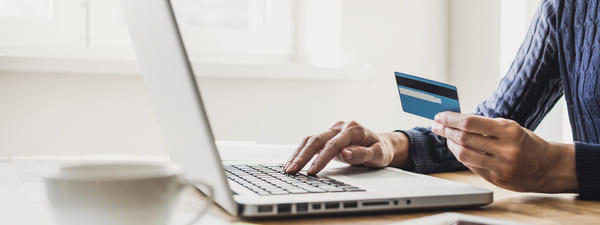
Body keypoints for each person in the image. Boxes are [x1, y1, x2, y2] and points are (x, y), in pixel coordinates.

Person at [283, 0, 600, 200]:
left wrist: (559, 166)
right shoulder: (566, 8)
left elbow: (545, 162)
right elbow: (489, 128)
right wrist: (390, 144)